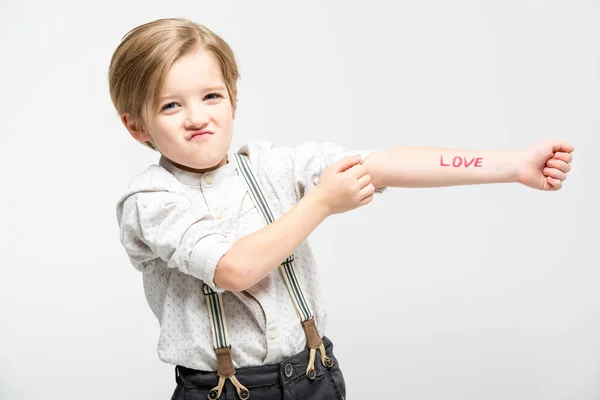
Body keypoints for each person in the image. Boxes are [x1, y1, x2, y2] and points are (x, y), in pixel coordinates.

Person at [109, 18, 574, 400]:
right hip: (222, 391)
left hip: (314, 376)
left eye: (211, 96)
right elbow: (234, 269)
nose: (197, 116)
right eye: (171, 105)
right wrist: (322, 203)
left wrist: (512, 165)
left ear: (233, 98)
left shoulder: (272, 166)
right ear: (137, 127)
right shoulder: (151, 201)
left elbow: (387, 163)